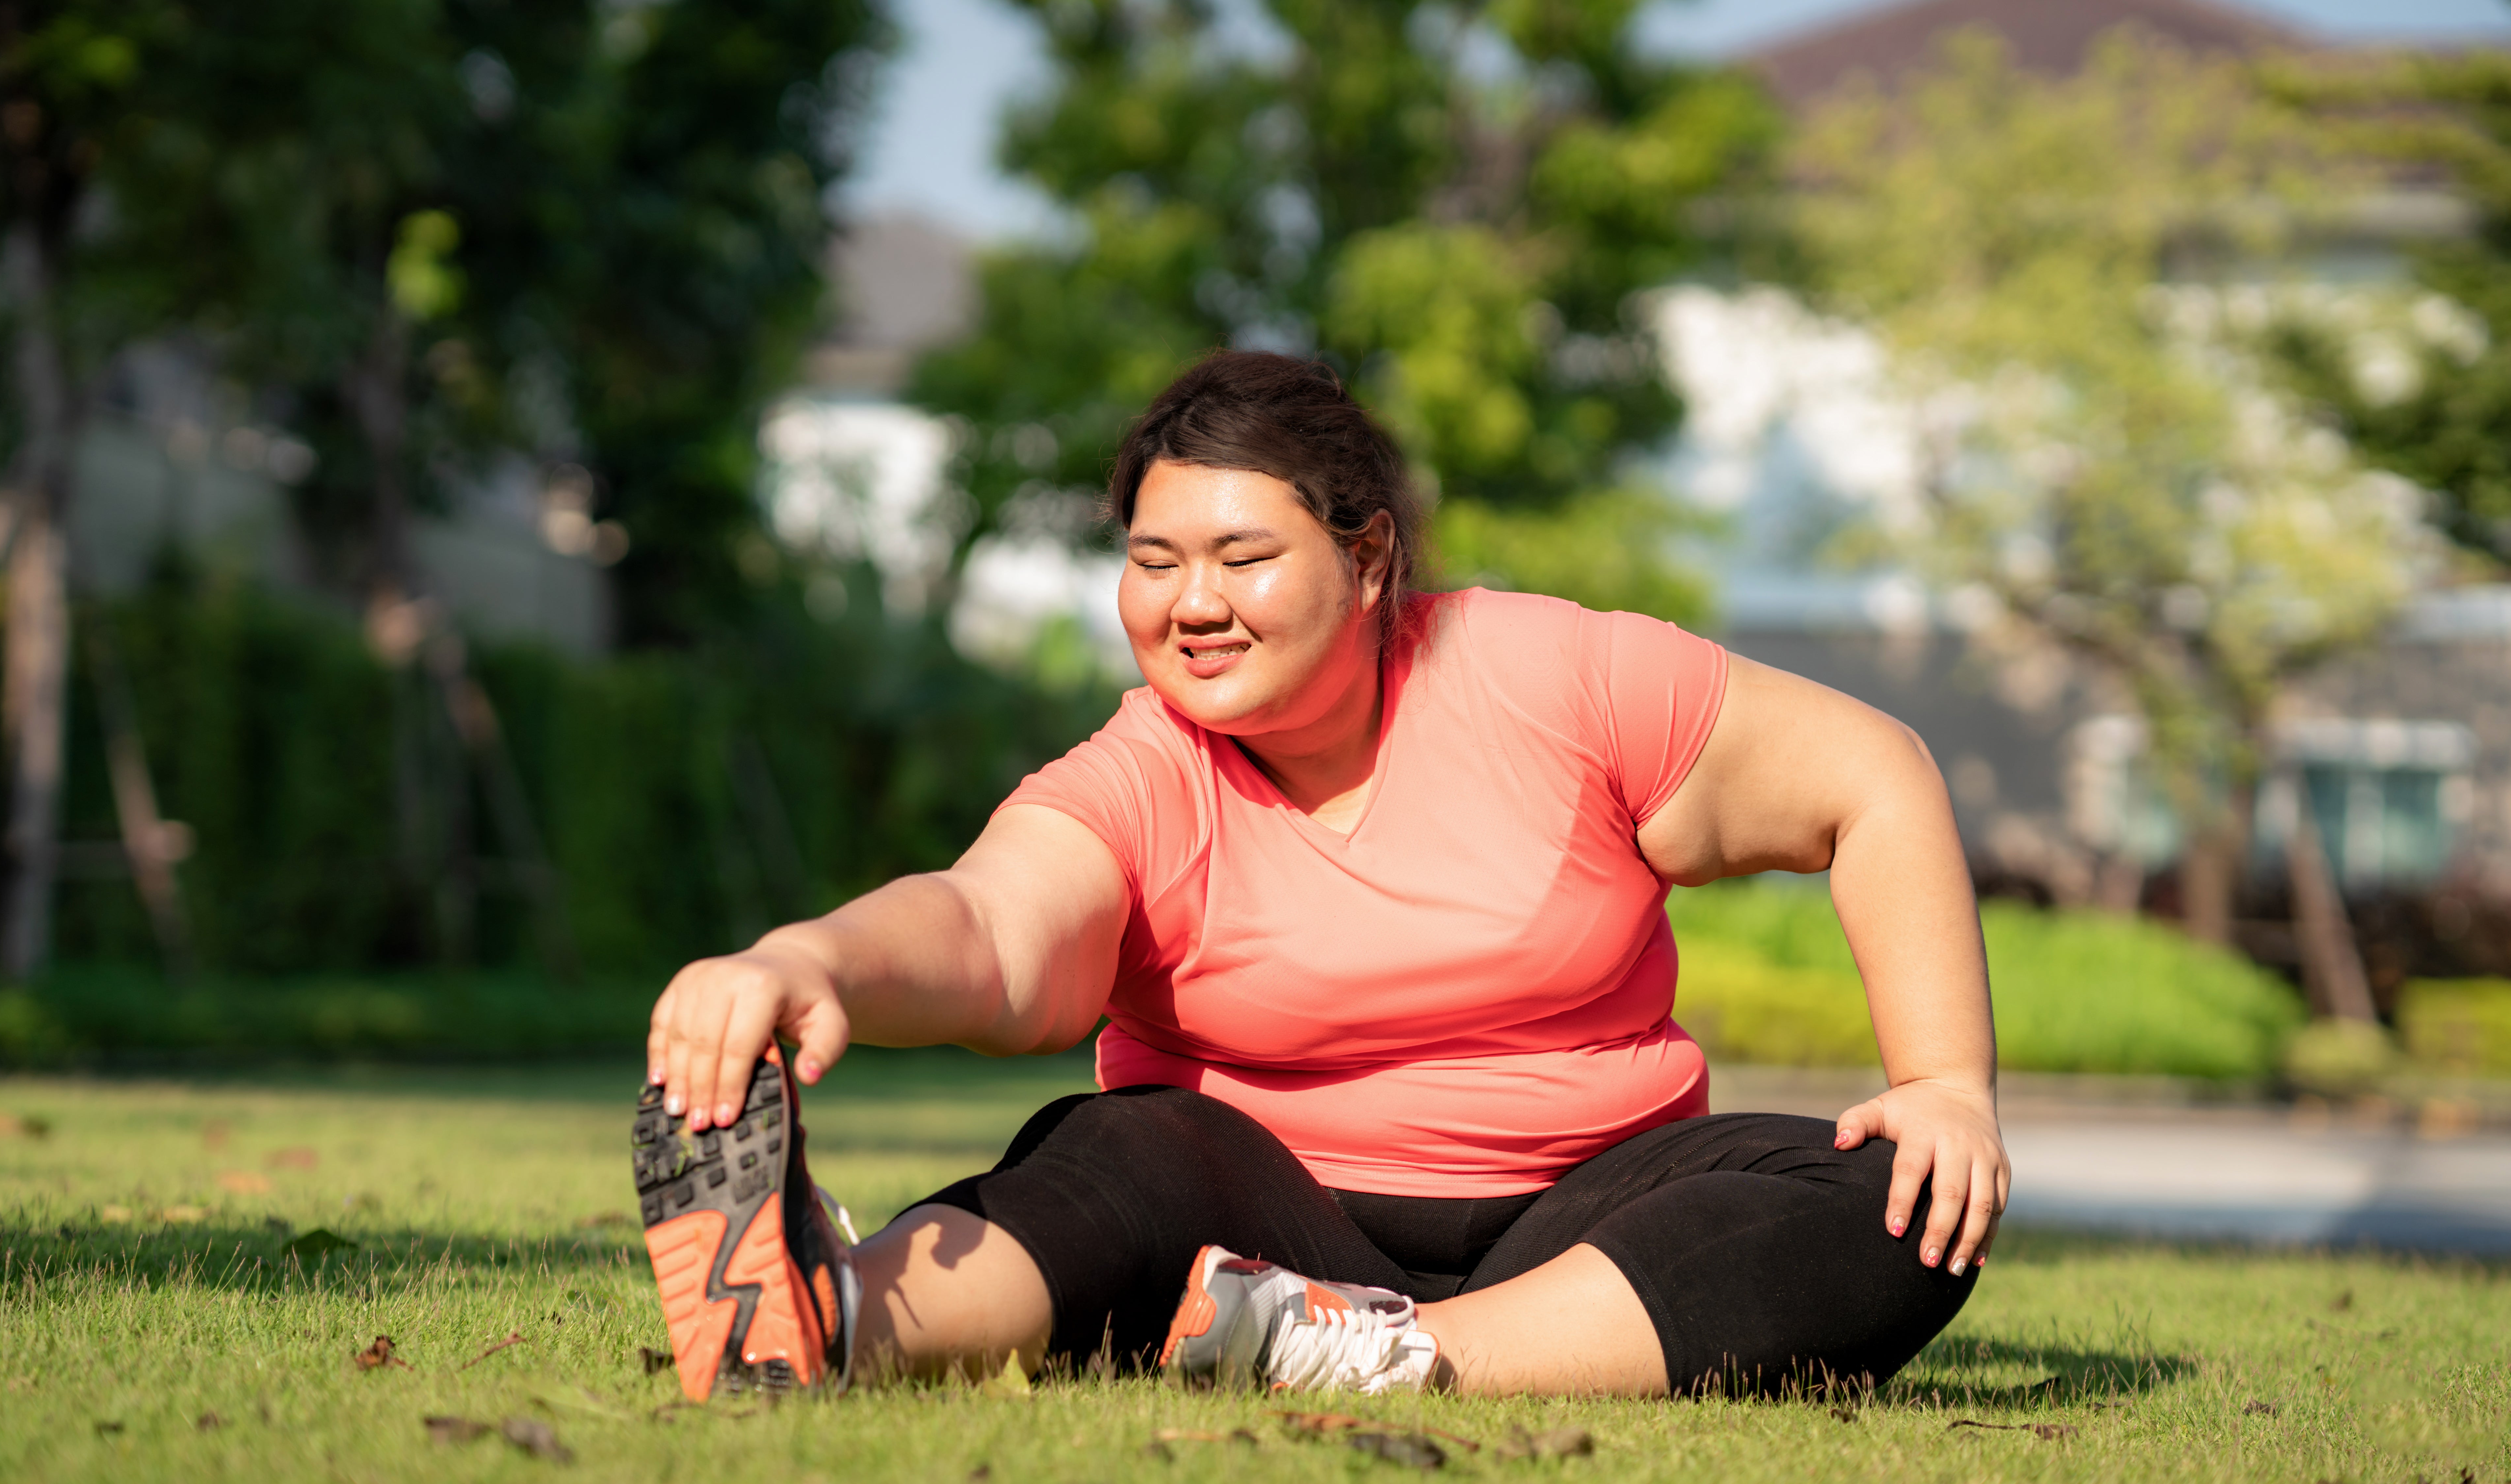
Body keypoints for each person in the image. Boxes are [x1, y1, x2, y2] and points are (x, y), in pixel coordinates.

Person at [629, 350, 2011, 1404]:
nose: (1190, 604)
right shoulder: (1144, 769)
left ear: (1364, 562)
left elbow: (1868, 777)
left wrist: (1943, 1083)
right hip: (1254, 1226)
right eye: (1152, 562)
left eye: (1241, 557)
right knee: (1118, 1150)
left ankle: (1387, 1355)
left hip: (1587, 1220)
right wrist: (807, 960)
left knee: (1895, 1199)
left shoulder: (1552, 679)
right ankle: (834, 1318)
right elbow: (990, 928)